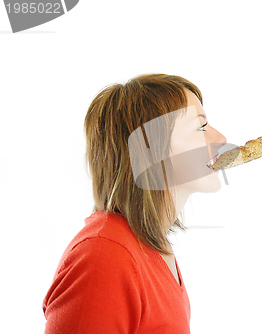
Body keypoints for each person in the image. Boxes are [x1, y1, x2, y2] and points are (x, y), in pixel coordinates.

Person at [43, 74, 226, 333]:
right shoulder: (103, 256)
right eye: (200, 127)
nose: (220, 138)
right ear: (151, 148)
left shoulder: (152, 247)